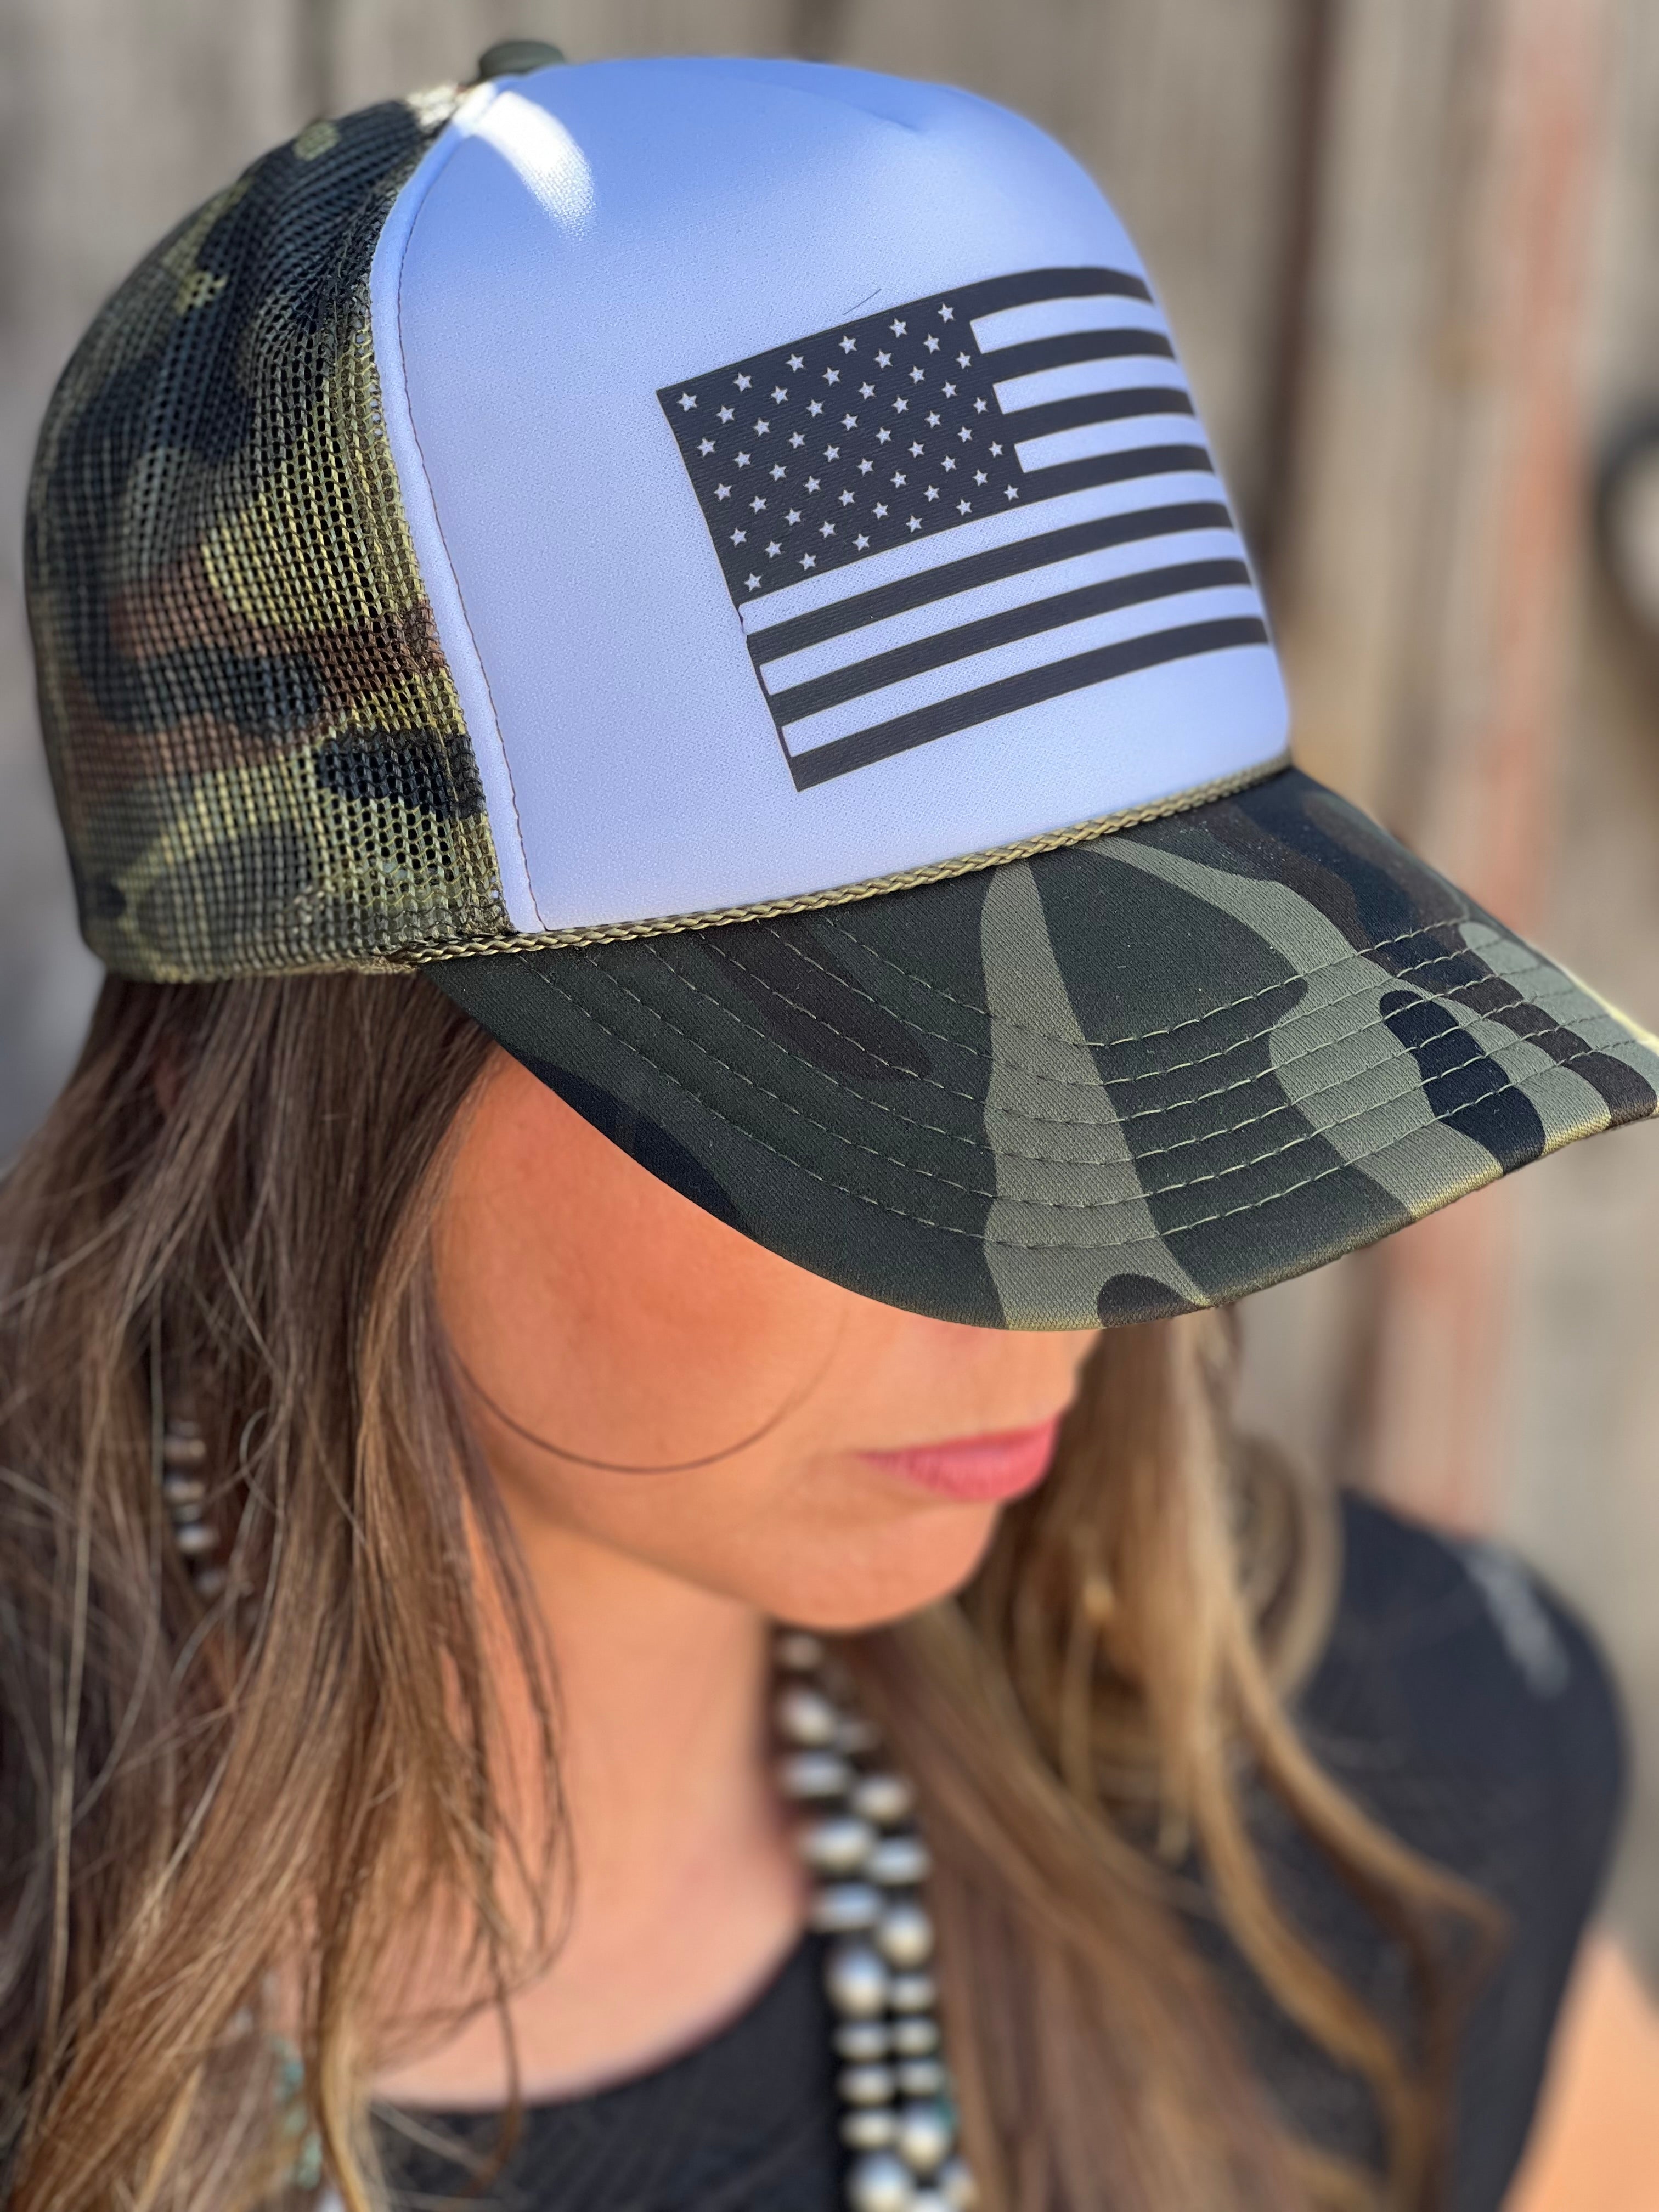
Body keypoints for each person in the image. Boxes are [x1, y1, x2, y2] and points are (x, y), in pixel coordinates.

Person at [4, 43, 1656, 2212]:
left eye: (1156, 1021)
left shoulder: (1386, 1810)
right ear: (289, 1065)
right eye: (880, 1087)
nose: (1073, 1282)